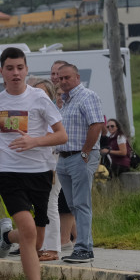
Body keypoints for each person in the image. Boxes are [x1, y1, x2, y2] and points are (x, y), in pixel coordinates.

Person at [0, 47, 67, 280]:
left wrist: (34, 141)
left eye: (19, 68)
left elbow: (61, 135)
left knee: (34, 241)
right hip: (8, 173)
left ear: (26, 69)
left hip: (40, 173)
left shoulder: (39, 98)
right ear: (1, 71)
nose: (15, 73)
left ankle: (6, 236)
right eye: (10, 68)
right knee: (27, 229)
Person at [56, 63, 104, 264]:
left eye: (67, 77)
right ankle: (85, 245)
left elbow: (96, 124)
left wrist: (85, 151)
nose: (64, 81)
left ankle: (84, 248)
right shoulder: (65, 101)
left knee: (82, 203)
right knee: (73, 204)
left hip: (80, 155)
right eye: (60, 78)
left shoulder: (87, 96)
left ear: (77, 77)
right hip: (64, 157)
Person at [27, 77, 61, 262]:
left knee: (50, 204)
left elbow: (55, 137)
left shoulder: (51, 113)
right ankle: (41, 245)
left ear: (50, 95)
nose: (37, 96)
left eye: (42, 92)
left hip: (51, 162)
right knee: (40, 207)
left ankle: (53, 248)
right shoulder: (34, 114)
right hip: (37, 165)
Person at [50, 60, 76, 251]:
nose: (56, 78)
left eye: (59, 74)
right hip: (54, 156)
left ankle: (66, 239)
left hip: (69, 155)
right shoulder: (52, 103)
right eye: (53, 74)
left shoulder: (74, 100)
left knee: (65, 200)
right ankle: (77, 236)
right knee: (59, 200)